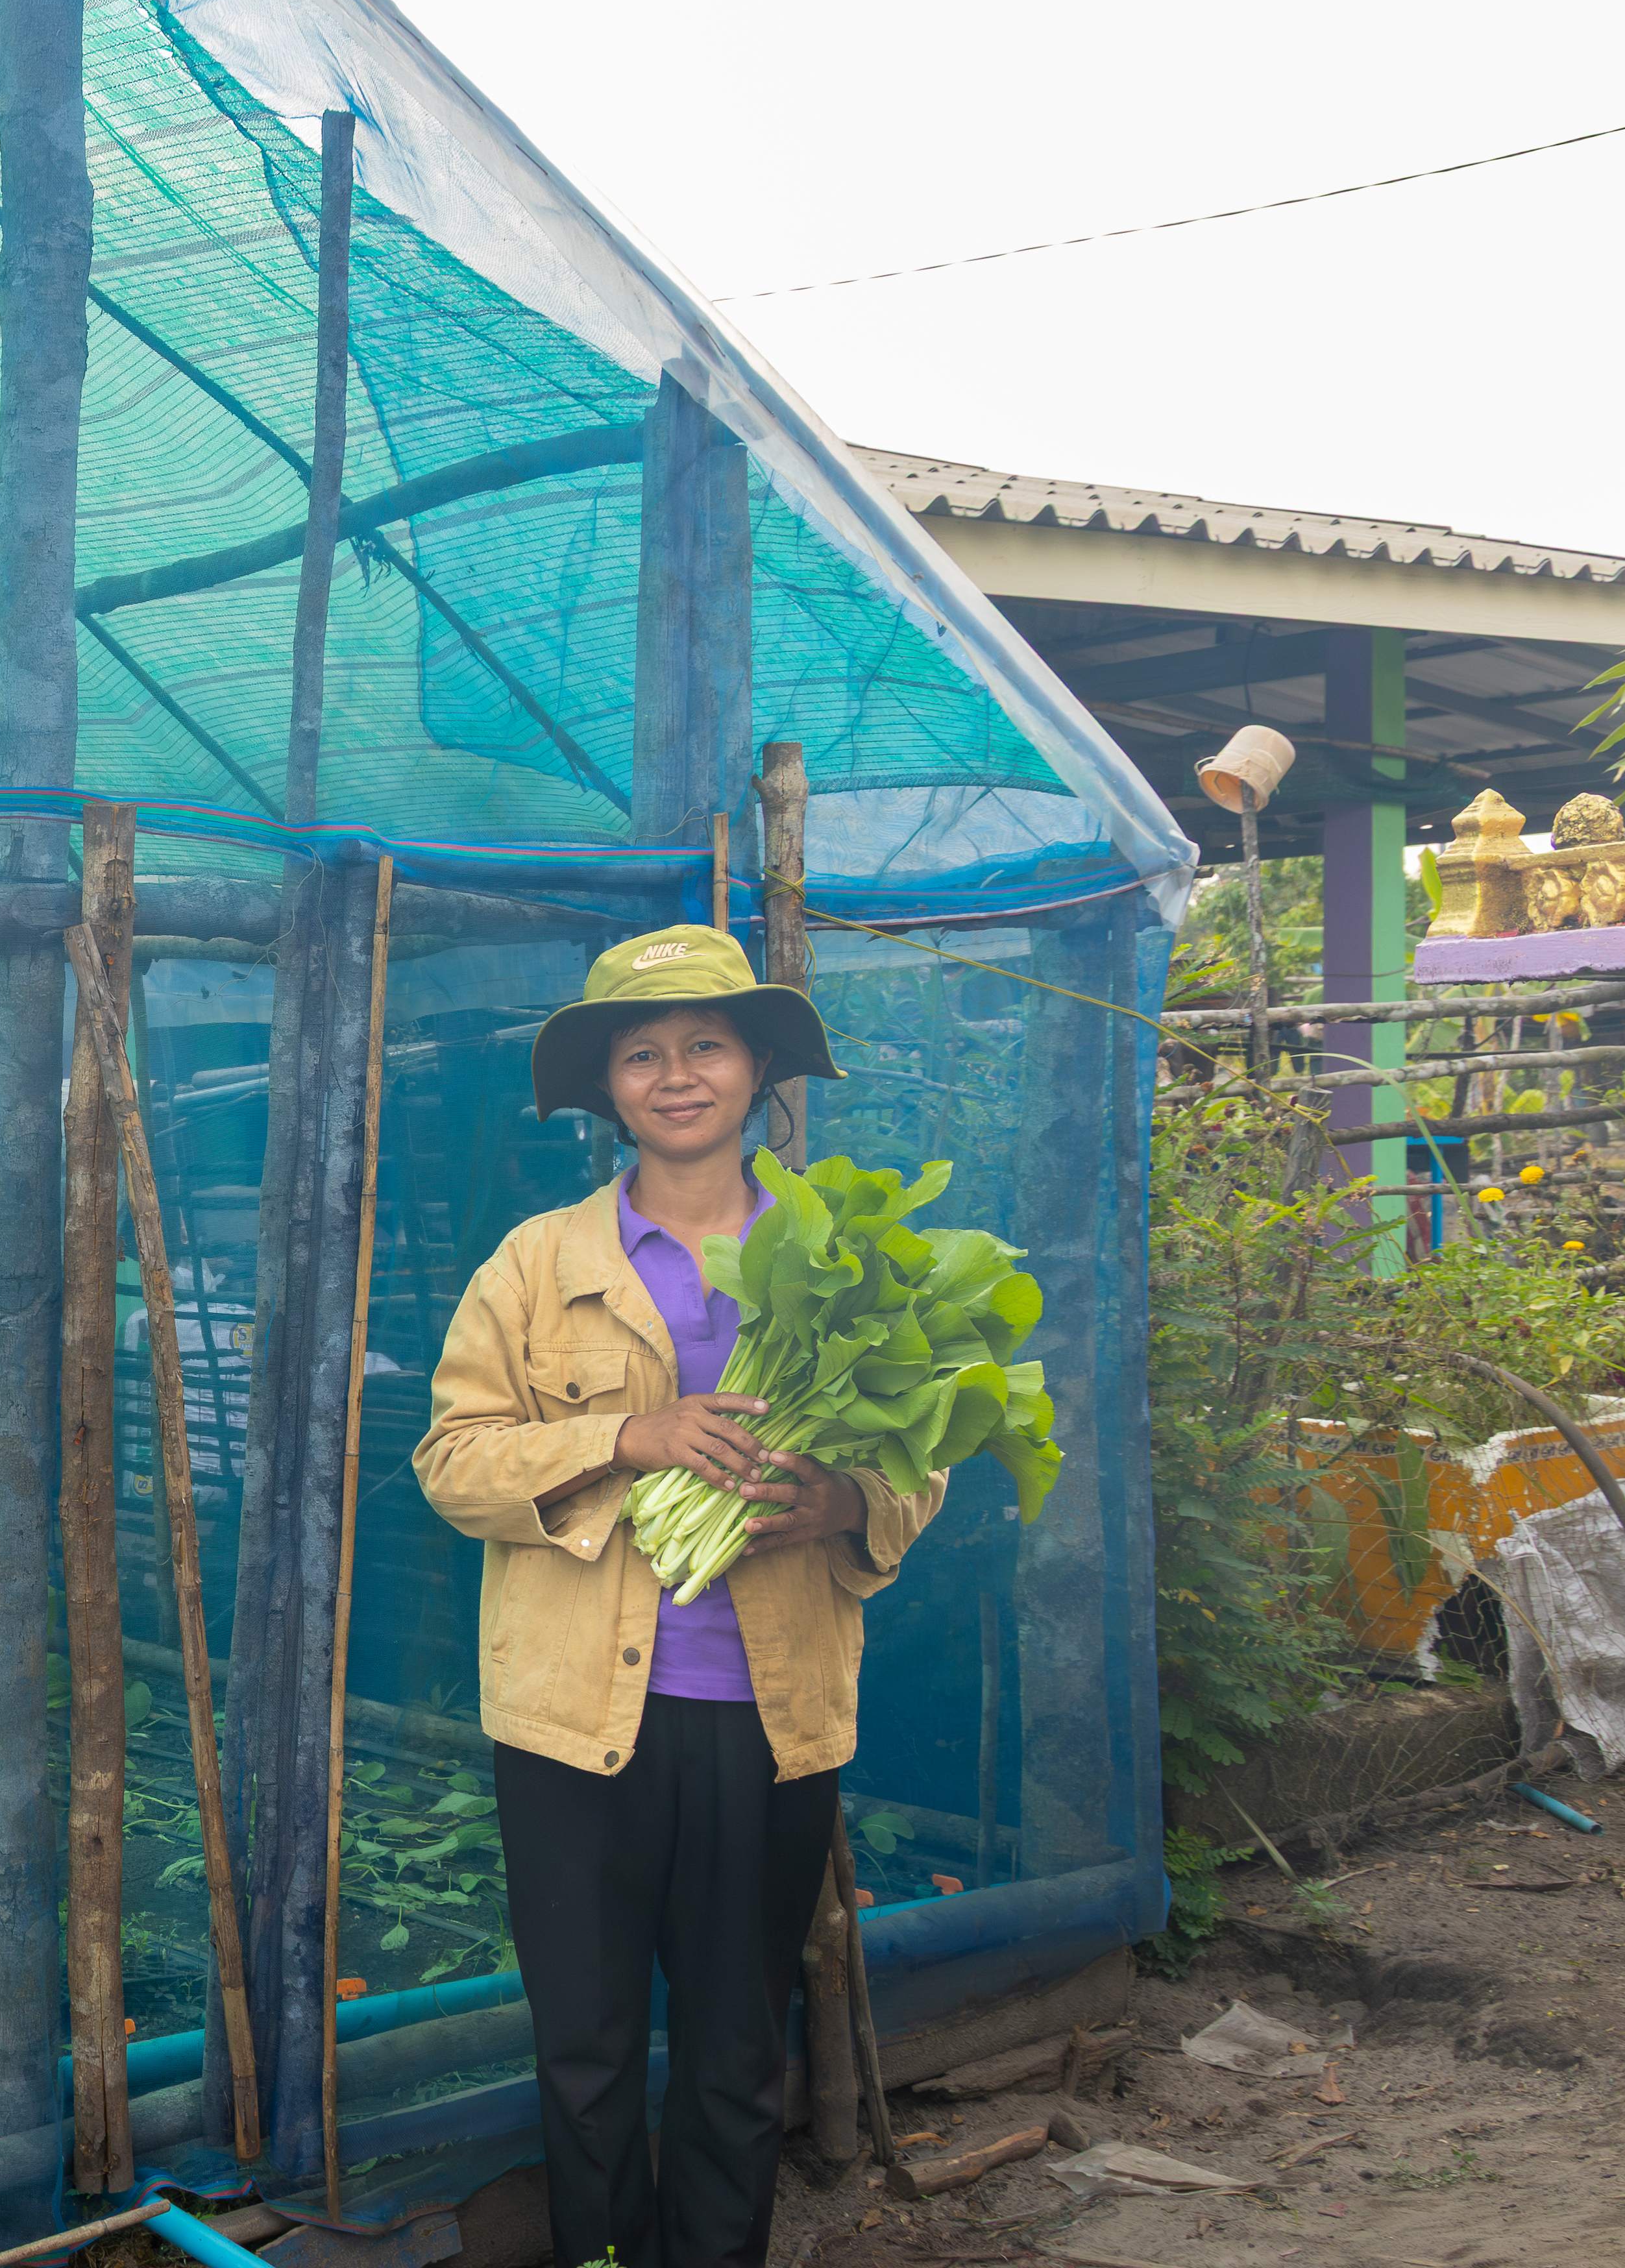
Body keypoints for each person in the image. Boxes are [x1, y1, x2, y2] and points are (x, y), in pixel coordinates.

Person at [407, 923, 940, 2268]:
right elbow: (451, 1463)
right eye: (643, 1053)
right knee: (583, 2047)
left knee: (735, 2044)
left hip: (767, 1716)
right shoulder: (535, 1264)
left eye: (707, 1043)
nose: (678, 1073)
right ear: (606, 1086)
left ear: (758, 1066)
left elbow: (921, 1463)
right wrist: (628, 1438)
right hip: (574, 1718)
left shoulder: (840, 1257)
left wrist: (845, 1506)